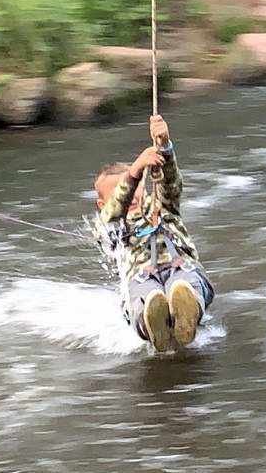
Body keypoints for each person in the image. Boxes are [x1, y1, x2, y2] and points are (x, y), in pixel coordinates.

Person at [92, 115, 214, 351]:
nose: (134, 194)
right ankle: (154, 327)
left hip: (181, 267)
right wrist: (134, 173)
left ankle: (187, 316)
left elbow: (171, 183)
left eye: (137, 187)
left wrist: (165, 146)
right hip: (142, 278)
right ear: (103, 203)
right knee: (146, 298)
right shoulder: (109, 225)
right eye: (125, 188)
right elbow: (114, 212)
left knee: (184, 285)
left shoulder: (163, 206)